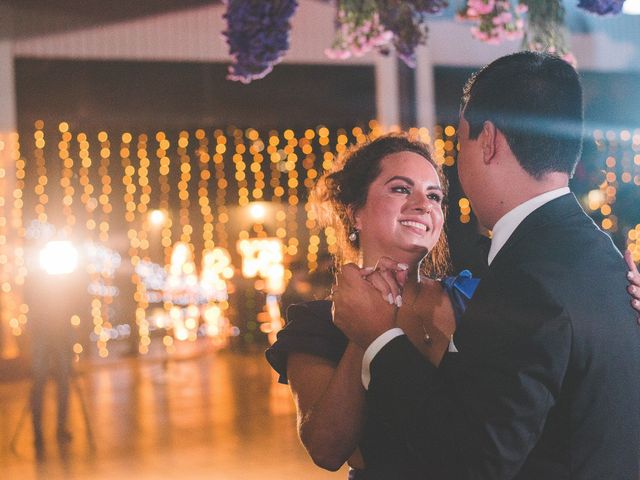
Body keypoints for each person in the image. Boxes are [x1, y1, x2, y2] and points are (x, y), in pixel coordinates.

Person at [332, 51, 640, 479]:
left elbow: (473, 461)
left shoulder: (525, 278)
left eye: (462, 145)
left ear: (489, 141)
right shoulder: (603, 257)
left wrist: (380, 339)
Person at [266, 133, 640, 478]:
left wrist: (624, 307)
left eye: (434, 196)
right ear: (354, 211)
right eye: (401, 189)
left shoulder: (475, 296)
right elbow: (327, 450)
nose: (421, 205)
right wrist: (363, 334)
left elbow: (559, 370)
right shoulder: (317, 323)